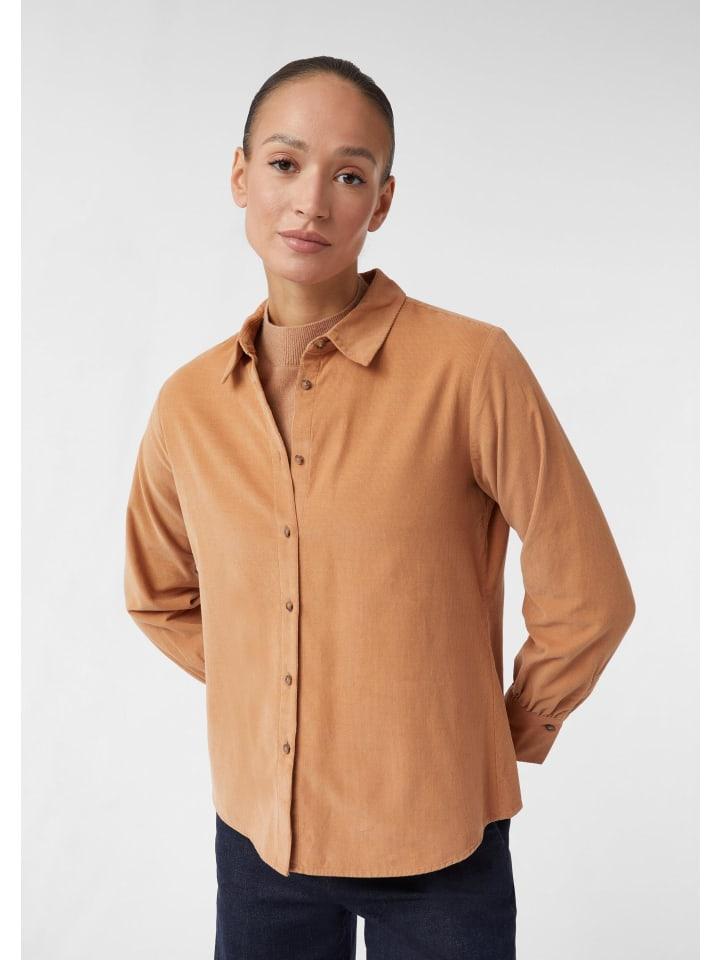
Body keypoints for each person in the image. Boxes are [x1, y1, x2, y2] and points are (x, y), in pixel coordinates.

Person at [124, 56, 636, 960]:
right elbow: (160, 595)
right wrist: (286, 691)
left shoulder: (470, 368)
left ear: (383, 201)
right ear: (240, 175)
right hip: (259, 841)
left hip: (441, 849)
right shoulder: (188, 404)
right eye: (285, 164)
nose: (311, 202)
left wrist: (500, 728)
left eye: (349, 176)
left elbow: (590, 594)